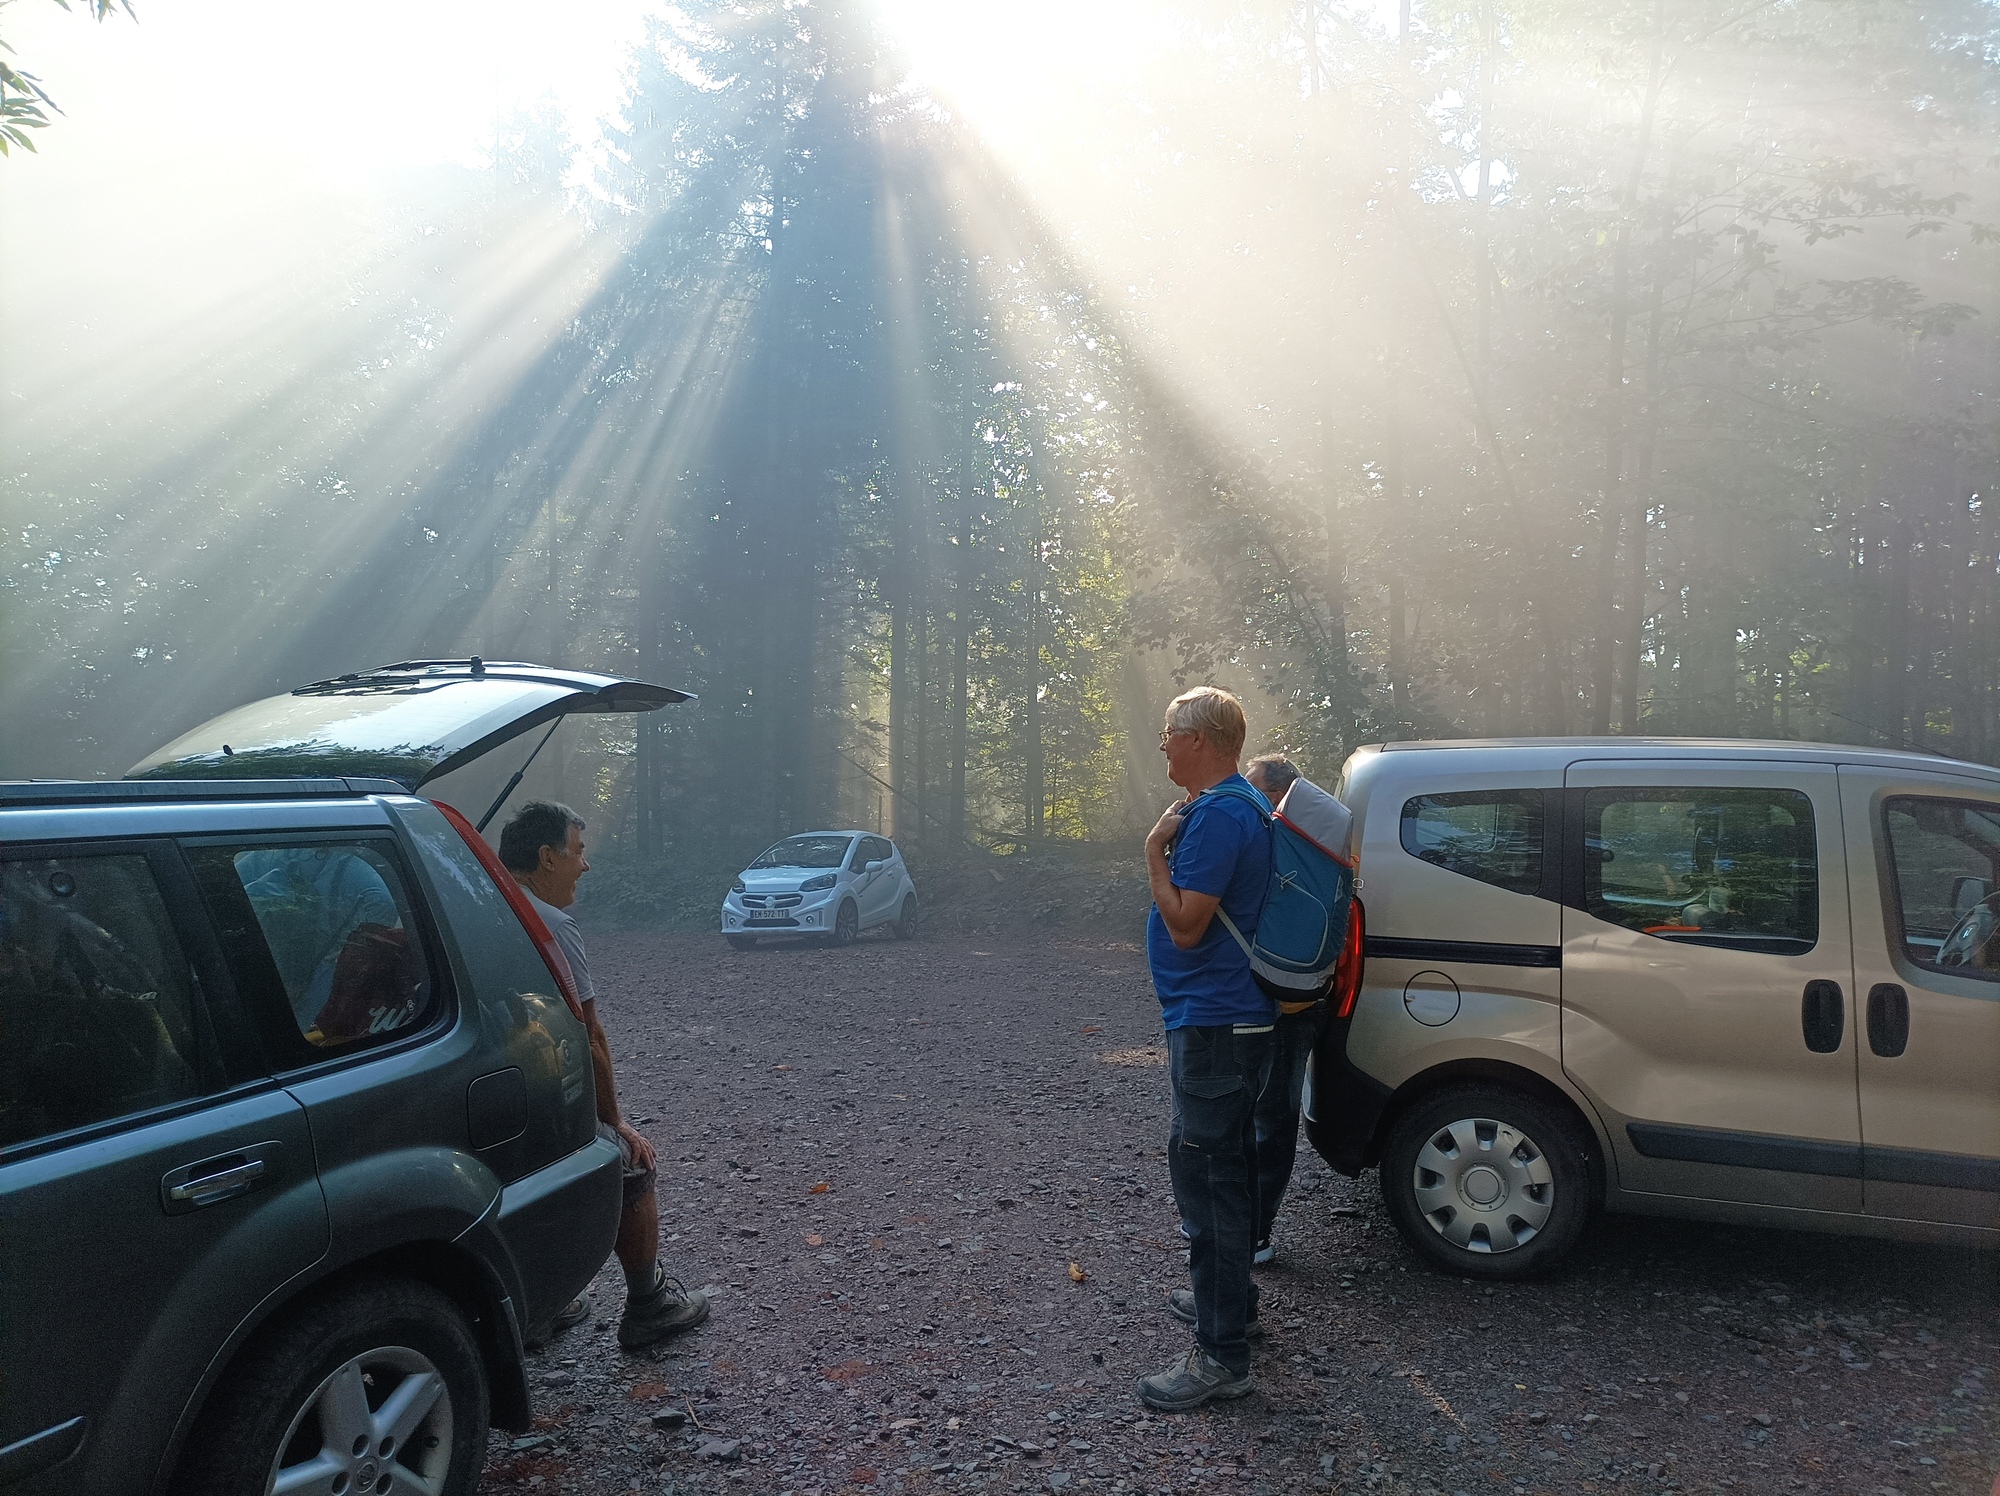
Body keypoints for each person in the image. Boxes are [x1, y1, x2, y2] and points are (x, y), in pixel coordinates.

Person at [499, 800, 710, 1350]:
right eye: (578, 851)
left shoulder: (478, 903)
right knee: (629, 1164)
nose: (585, 864)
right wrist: (615, 1122)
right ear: (547, 857)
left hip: (483, 1091)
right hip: (529, 1094)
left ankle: (538, 1305)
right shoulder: (550, 925)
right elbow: (588, 1034)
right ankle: (649, 1304)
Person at [1136, 686, 1274, 1412]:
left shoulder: (1219, 813)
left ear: (1199, 739)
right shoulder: (1236, 804)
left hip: (1217, 1021)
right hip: (1229, 1018)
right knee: (1230, 1166)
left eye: (1169, 731)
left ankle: (1222, 1356)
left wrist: (1153, 852)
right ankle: (1234, 1304)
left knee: (1209, 1179)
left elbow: (1187, 926)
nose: (1162, 743)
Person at [1242, 752, 1318, 1267]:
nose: (1249, 796)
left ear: (1278, 793)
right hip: (1298, 995)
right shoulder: (1306, 843)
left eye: (1256, 788)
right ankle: (1251, 1227)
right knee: (1268, 1113)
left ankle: (1256, 1233)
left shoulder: (1284, 841)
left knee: (1270, 1117)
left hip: (1287, 1002)